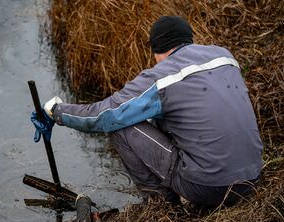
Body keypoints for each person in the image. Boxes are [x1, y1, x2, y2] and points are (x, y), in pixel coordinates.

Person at [31, 16, 263, 207]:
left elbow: (103, 116)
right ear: (188, 40)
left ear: (157, 49)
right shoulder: (224, 57)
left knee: (121, 126)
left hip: (210, 188)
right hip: (252, 177)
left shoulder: (162, 77)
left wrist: (56, 111)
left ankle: (161, 206)